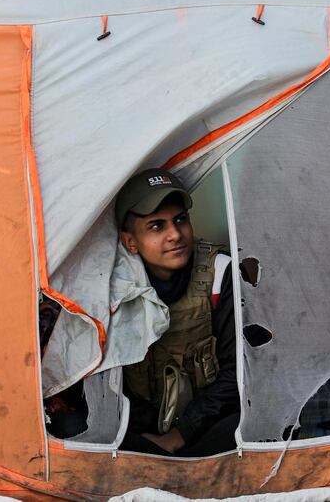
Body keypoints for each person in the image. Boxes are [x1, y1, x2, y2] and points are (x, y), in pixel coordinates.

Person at [114, 168, 239, 456]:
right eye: (157, 226)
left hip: (208, 422)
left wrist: (181, 434)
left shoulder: (220, 272)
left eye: (181, 220)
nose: (175, 235)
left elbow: (238, 372)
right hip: (141, 427)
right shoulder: (114, 287)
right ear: (130, 241)